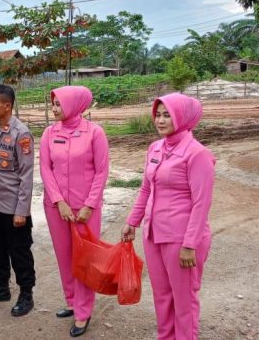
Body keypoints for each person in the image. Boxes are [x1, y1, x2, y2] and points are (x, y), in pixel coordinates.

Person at [122, 93, 215, 340]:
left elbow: (201, 203)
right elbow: (145, 189)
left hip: (181, 238)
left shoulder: (197, 154)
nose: (160, 120)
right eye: (158, 115)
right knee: (162, 295)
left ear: (183, 118)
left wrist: (189, 245)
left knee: (184, 299)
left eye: (167, 115)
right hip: (153, 233)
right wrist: (133, 221)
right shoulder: (155, 147)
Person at [39, 86, 109, 337]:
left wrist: (90, 205)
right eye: (53, 104)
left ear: (74, 105)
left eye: (59, 104)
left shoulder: (95, 133)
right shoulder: (49, 133)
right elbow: (46, 169)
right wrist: (59, 201)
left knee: (85, 260)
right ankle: (71, 301)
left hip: (85, 210)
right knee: (64, 256)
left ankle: (83, 311)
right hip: (56, 207)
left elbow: (102, 172)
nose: (54, 109)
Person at [0, 84, 36, 317]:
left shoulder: (21, 134)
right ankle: (1, 287)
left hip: (14, 207)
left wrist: (22, 211)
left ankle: (26, 294)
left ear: (7, 106)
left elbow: (26, 176)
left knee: (19, 252)